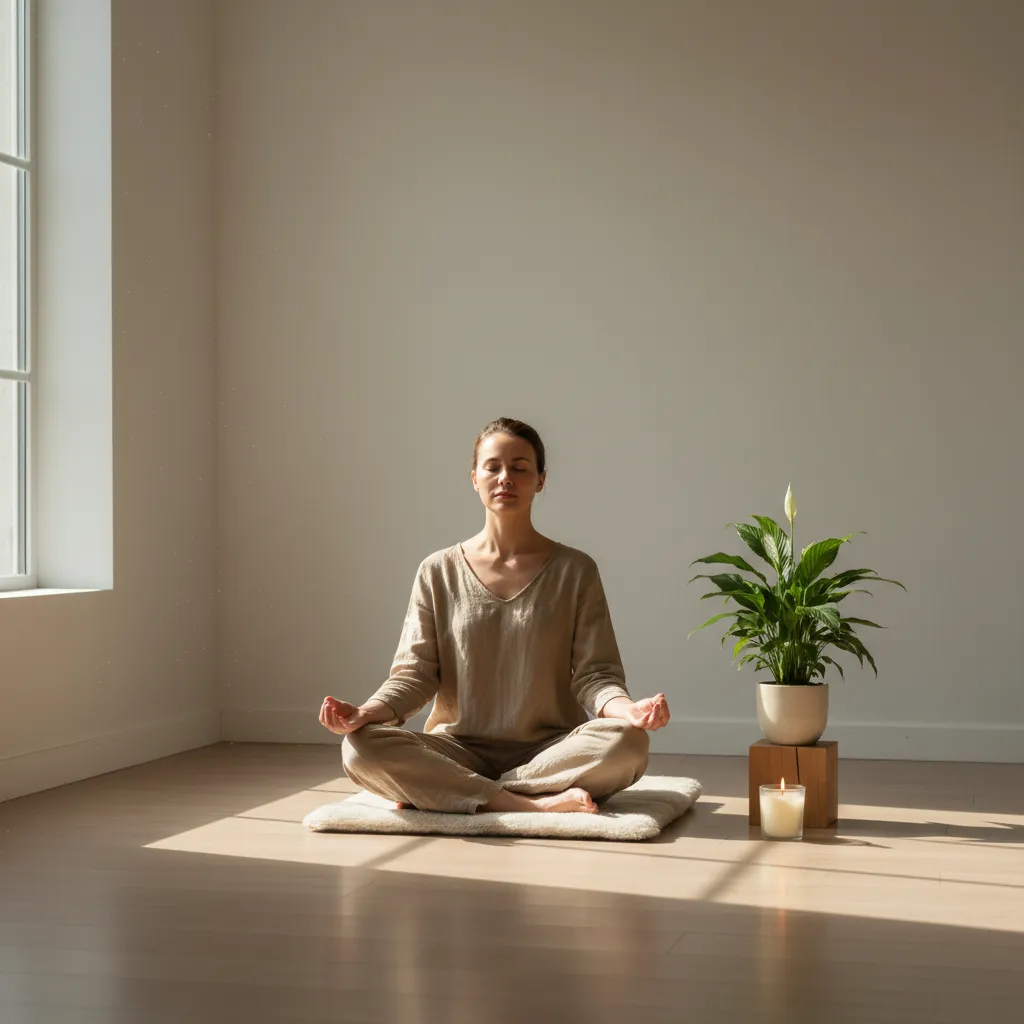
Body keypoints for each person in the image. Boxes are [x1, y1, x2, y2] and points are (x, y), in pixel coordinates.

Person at [319, 417, 671, 814]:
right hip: (457, 749)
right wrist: (364, 713)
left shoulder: (576, 570)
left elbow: (596, 676)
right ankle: (528, 803)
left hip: (551, 752)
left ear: (540, 480)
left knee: (629, 743)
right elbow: (414, 675)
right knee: (360, 747)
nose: (506, 477)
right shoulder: (437, 570)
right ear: (474, 478)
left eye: (520, 468)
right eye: (493, 467)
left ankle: (457, 793)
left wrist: (631, 711)